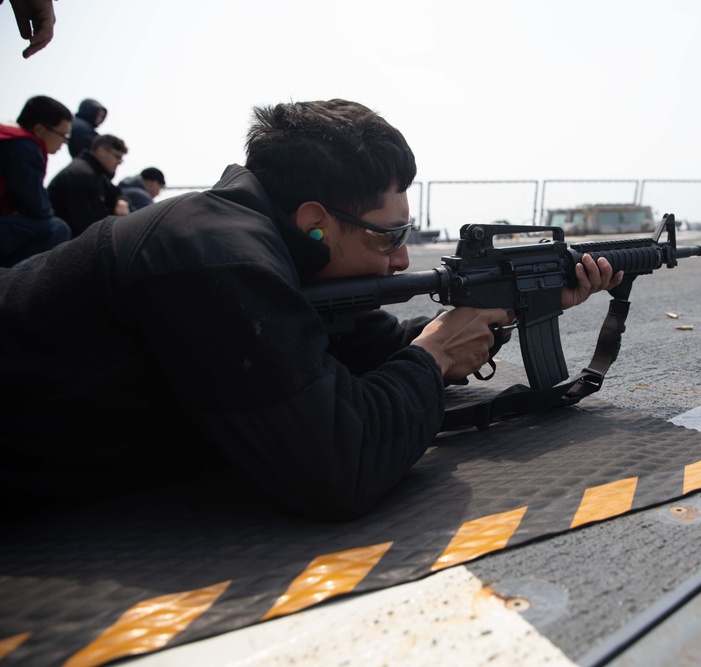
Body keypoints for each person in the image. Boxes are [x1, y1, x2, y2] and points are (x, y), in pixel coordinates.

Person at [0, 99, 622, 521]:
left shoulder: (270, 241)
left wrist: (515, 307)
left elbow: (368, 350)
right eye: (390, 235)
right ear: (315, 222)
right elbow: (339, 466)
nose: (403, 261)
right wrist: (433, 358)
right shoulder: (217, 256)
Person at [0, 95, 72, 267]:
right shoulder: (25, 146)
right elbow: (36, 207)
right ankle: (8, 284)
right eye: (63, 135)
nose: (64, 142)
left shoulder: (9, 136)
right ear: (39, 130)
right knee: (56, 229)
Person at [47, 133, 132, 237]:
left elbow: (116, 193)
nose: (119, 162)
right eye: (117, 157)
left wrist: (121, 202)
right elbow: (86, 227)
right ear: (100, 151)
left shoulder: (97, 174)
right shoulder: (81, 175)